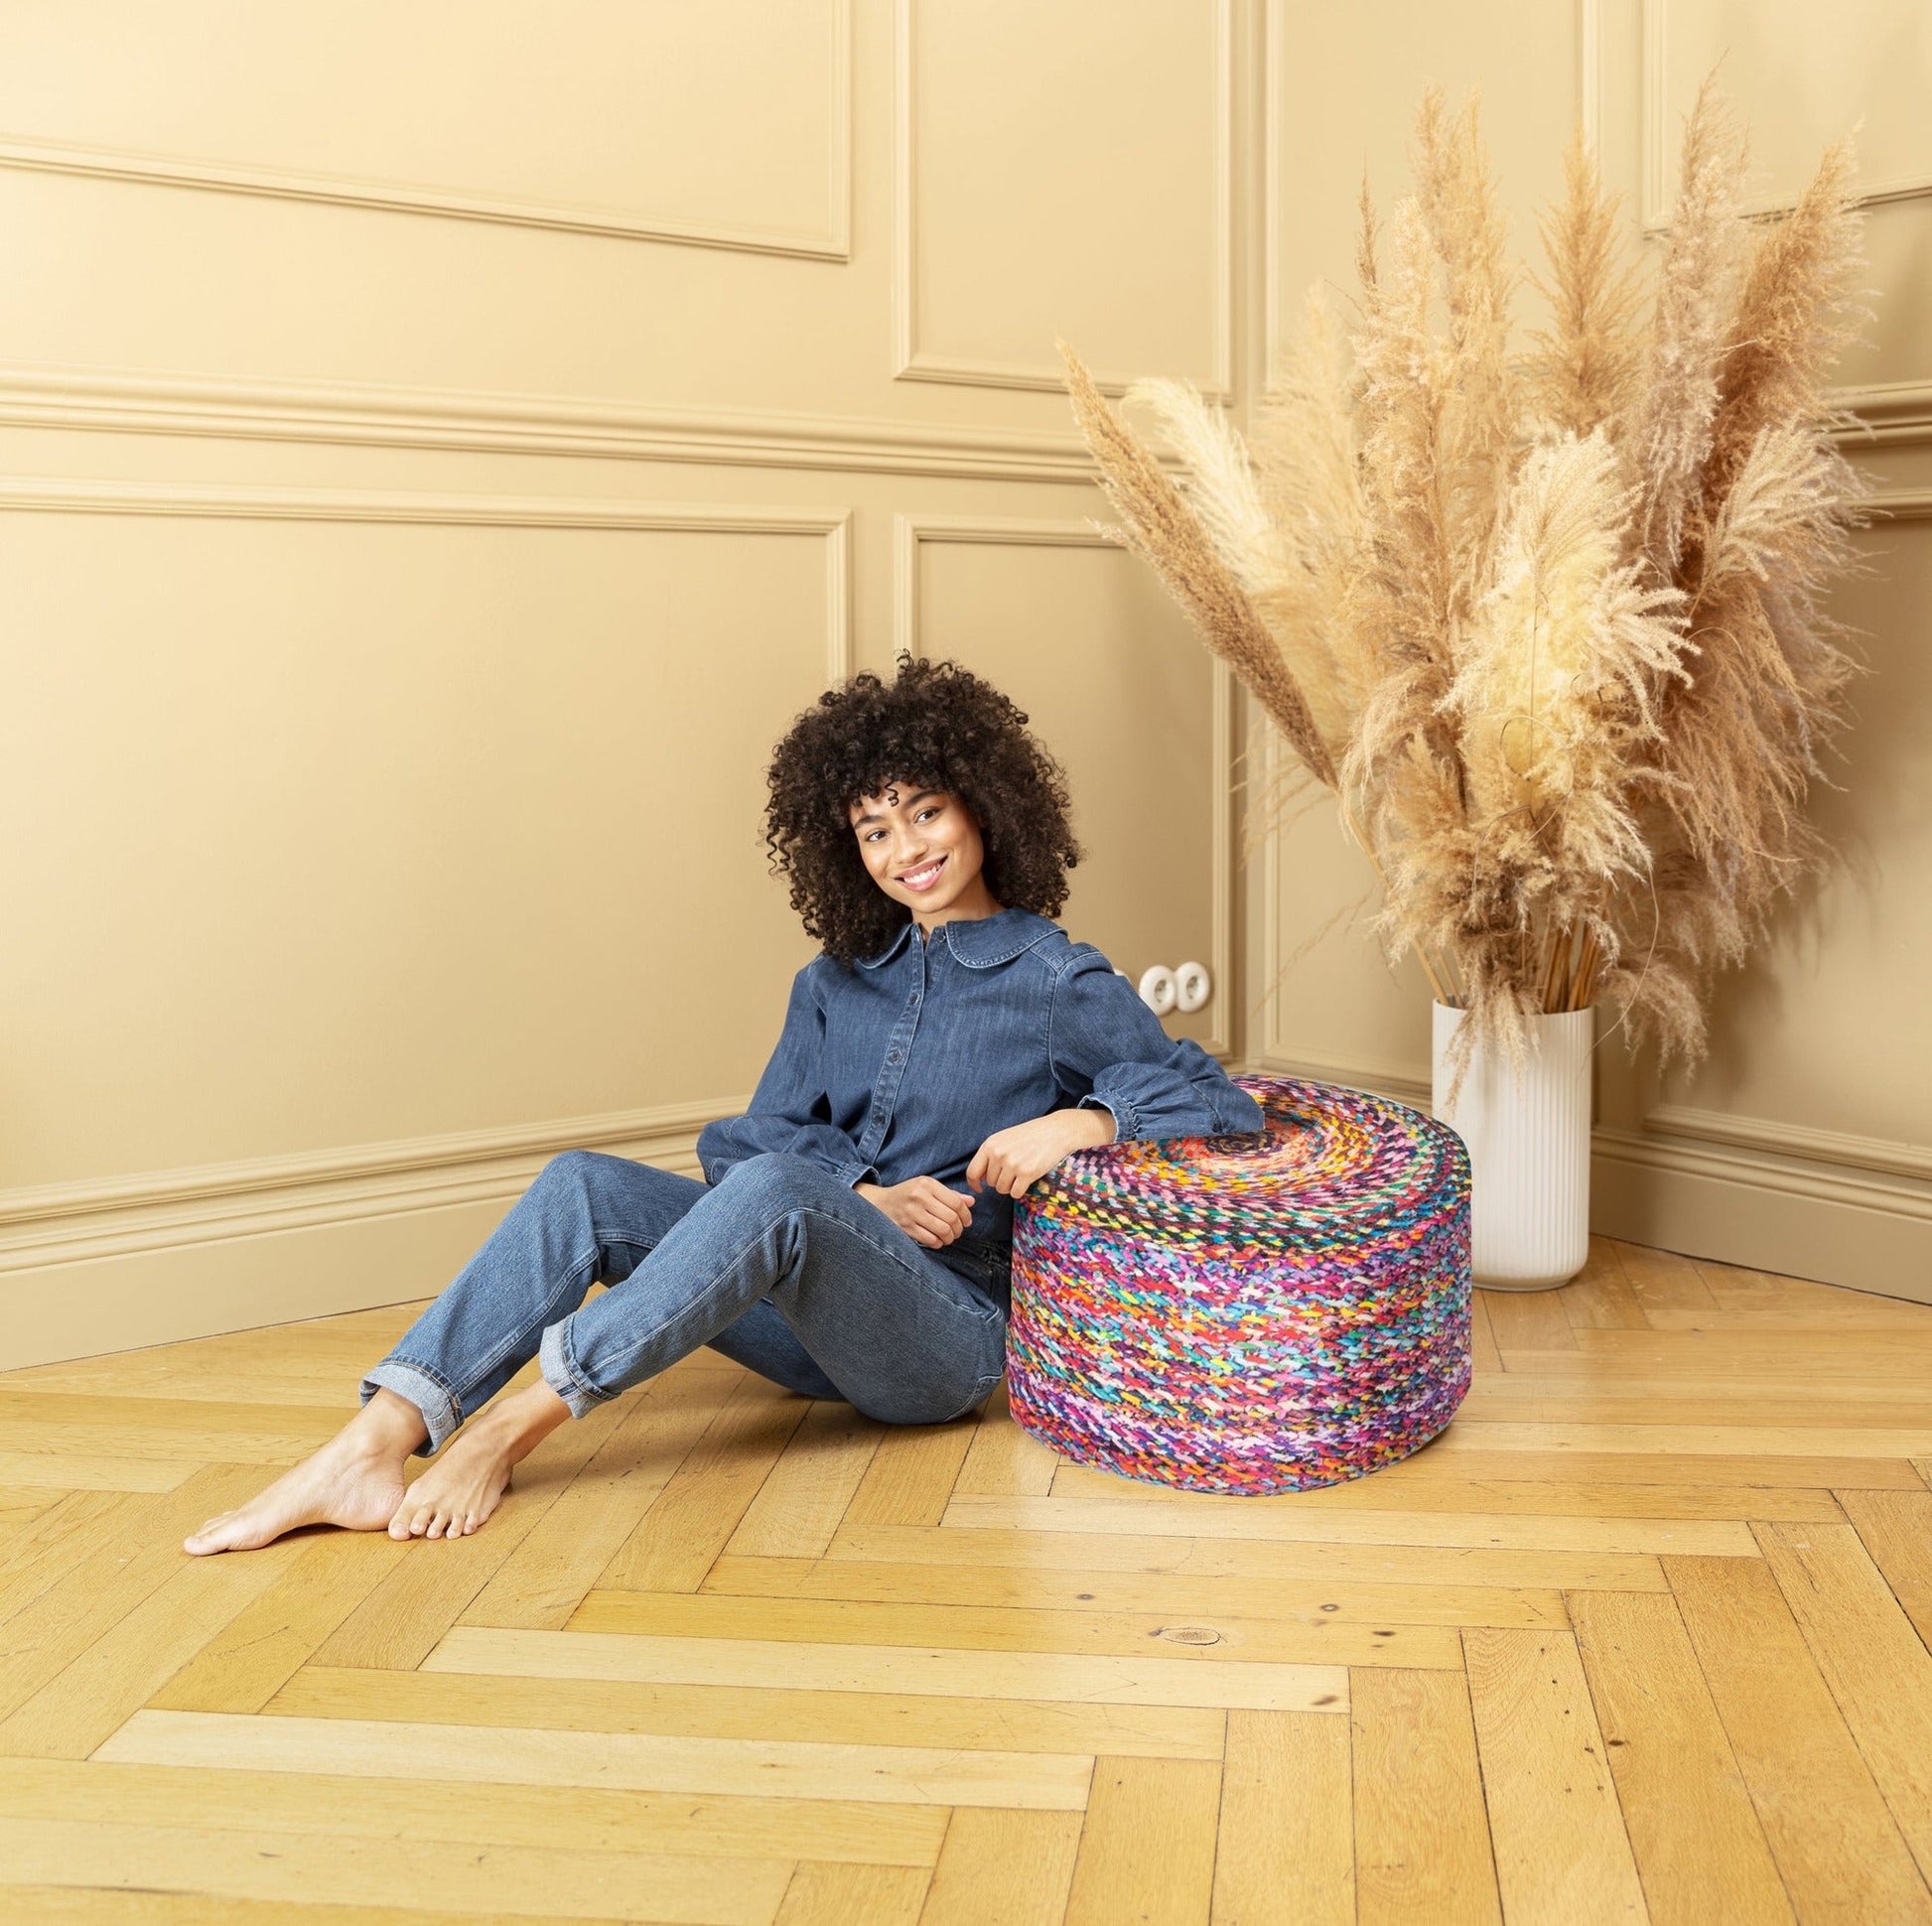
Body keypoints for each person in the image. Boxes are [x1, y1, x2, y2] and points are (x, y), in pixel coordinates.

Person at [184, 654, 1265, 1556]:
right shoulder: (834, 981)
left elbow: (1211, 1095)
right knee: (583, 1185)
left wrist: (1075, 1121)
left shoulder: (1054, 977)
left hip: (948, 1340)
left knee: (785, 1190)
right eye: (873, 829)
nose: (907, 850)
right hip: (806, 1323)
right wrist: (865, 1197)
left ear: (982, 805)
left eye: (925, 811)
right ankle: (375, 1440)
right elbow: (744, 1143)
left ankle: (512, 1424)